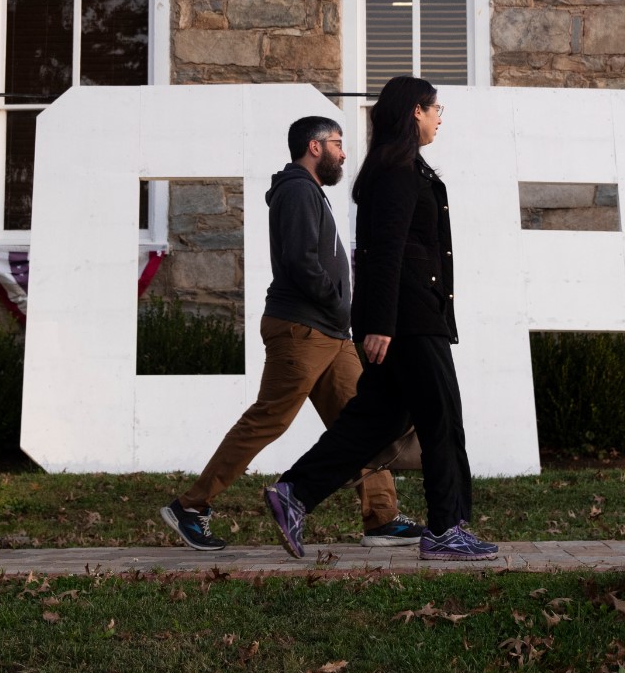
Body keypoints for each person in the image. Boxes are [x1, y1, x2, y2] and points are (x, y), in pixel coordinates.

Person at [159, 116, 422, 551]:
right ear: (314, 147)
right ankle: (191, 506)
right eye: (337, 143)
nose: (343, 152)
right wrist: (342, 304)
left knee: (364, 420)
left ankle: (382, 517)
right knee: (268, 419)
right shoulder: (298, 189)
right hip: (304, 329)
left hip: (330, 332)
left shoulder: (308, 191)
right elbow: (302, 264)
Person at [263, 76, 497, 561]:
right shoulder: (396, 170)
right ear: (415, 111)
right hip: (407, 320)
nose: (439, 117)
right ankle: (446, 528)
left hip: (406, 315)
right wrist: (382, 324)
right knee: (442, 419)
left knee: (377, 420)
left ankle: (295, 494)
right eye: (435, 109)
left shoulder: (400, 166)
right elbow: (383, 253)